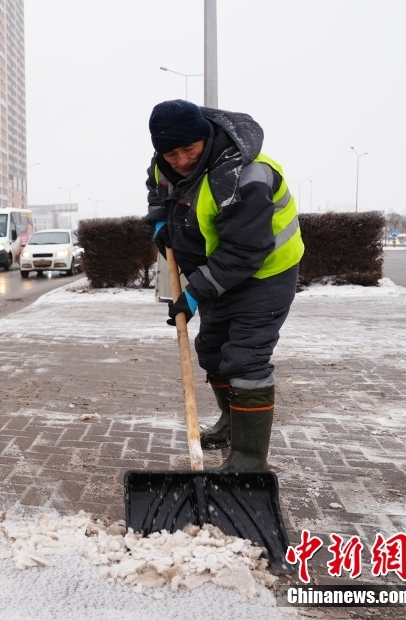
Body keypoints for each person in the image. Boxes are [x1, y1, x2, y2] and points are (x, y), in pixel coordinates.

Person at [144, 100, 304, 470]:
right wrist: (159, 219)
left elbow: (245, 250)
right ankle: (233, 423)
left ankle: (249, 458)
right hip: (218, 272)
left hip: (265, 273)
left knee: (246, 359)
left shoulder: (244, 175)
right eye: (171, 153)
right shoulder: (164, 164)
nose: (181, 160)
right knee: (212, 353)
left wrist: (194, 293)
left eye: (189, 149)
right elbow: (158, 186)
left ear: (205, 136)